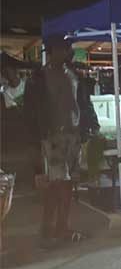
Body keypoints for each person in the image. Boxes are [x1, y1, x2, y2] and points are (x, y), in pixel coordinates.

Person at [24, 37, 99, 246]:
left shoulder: (75, 75)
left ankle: (55, 227)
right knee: (58, 184)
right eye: (66, 49)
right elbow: (30, 113)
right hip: (52, 137)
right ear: (54, 51)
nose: (70, 52)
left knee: (64, 183)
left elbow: (84, 103)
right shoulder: (38, 78)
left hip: (73, 136)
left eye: (70, 48)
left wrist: (92, 126)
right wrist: (34, 140)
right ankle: (55, 227)